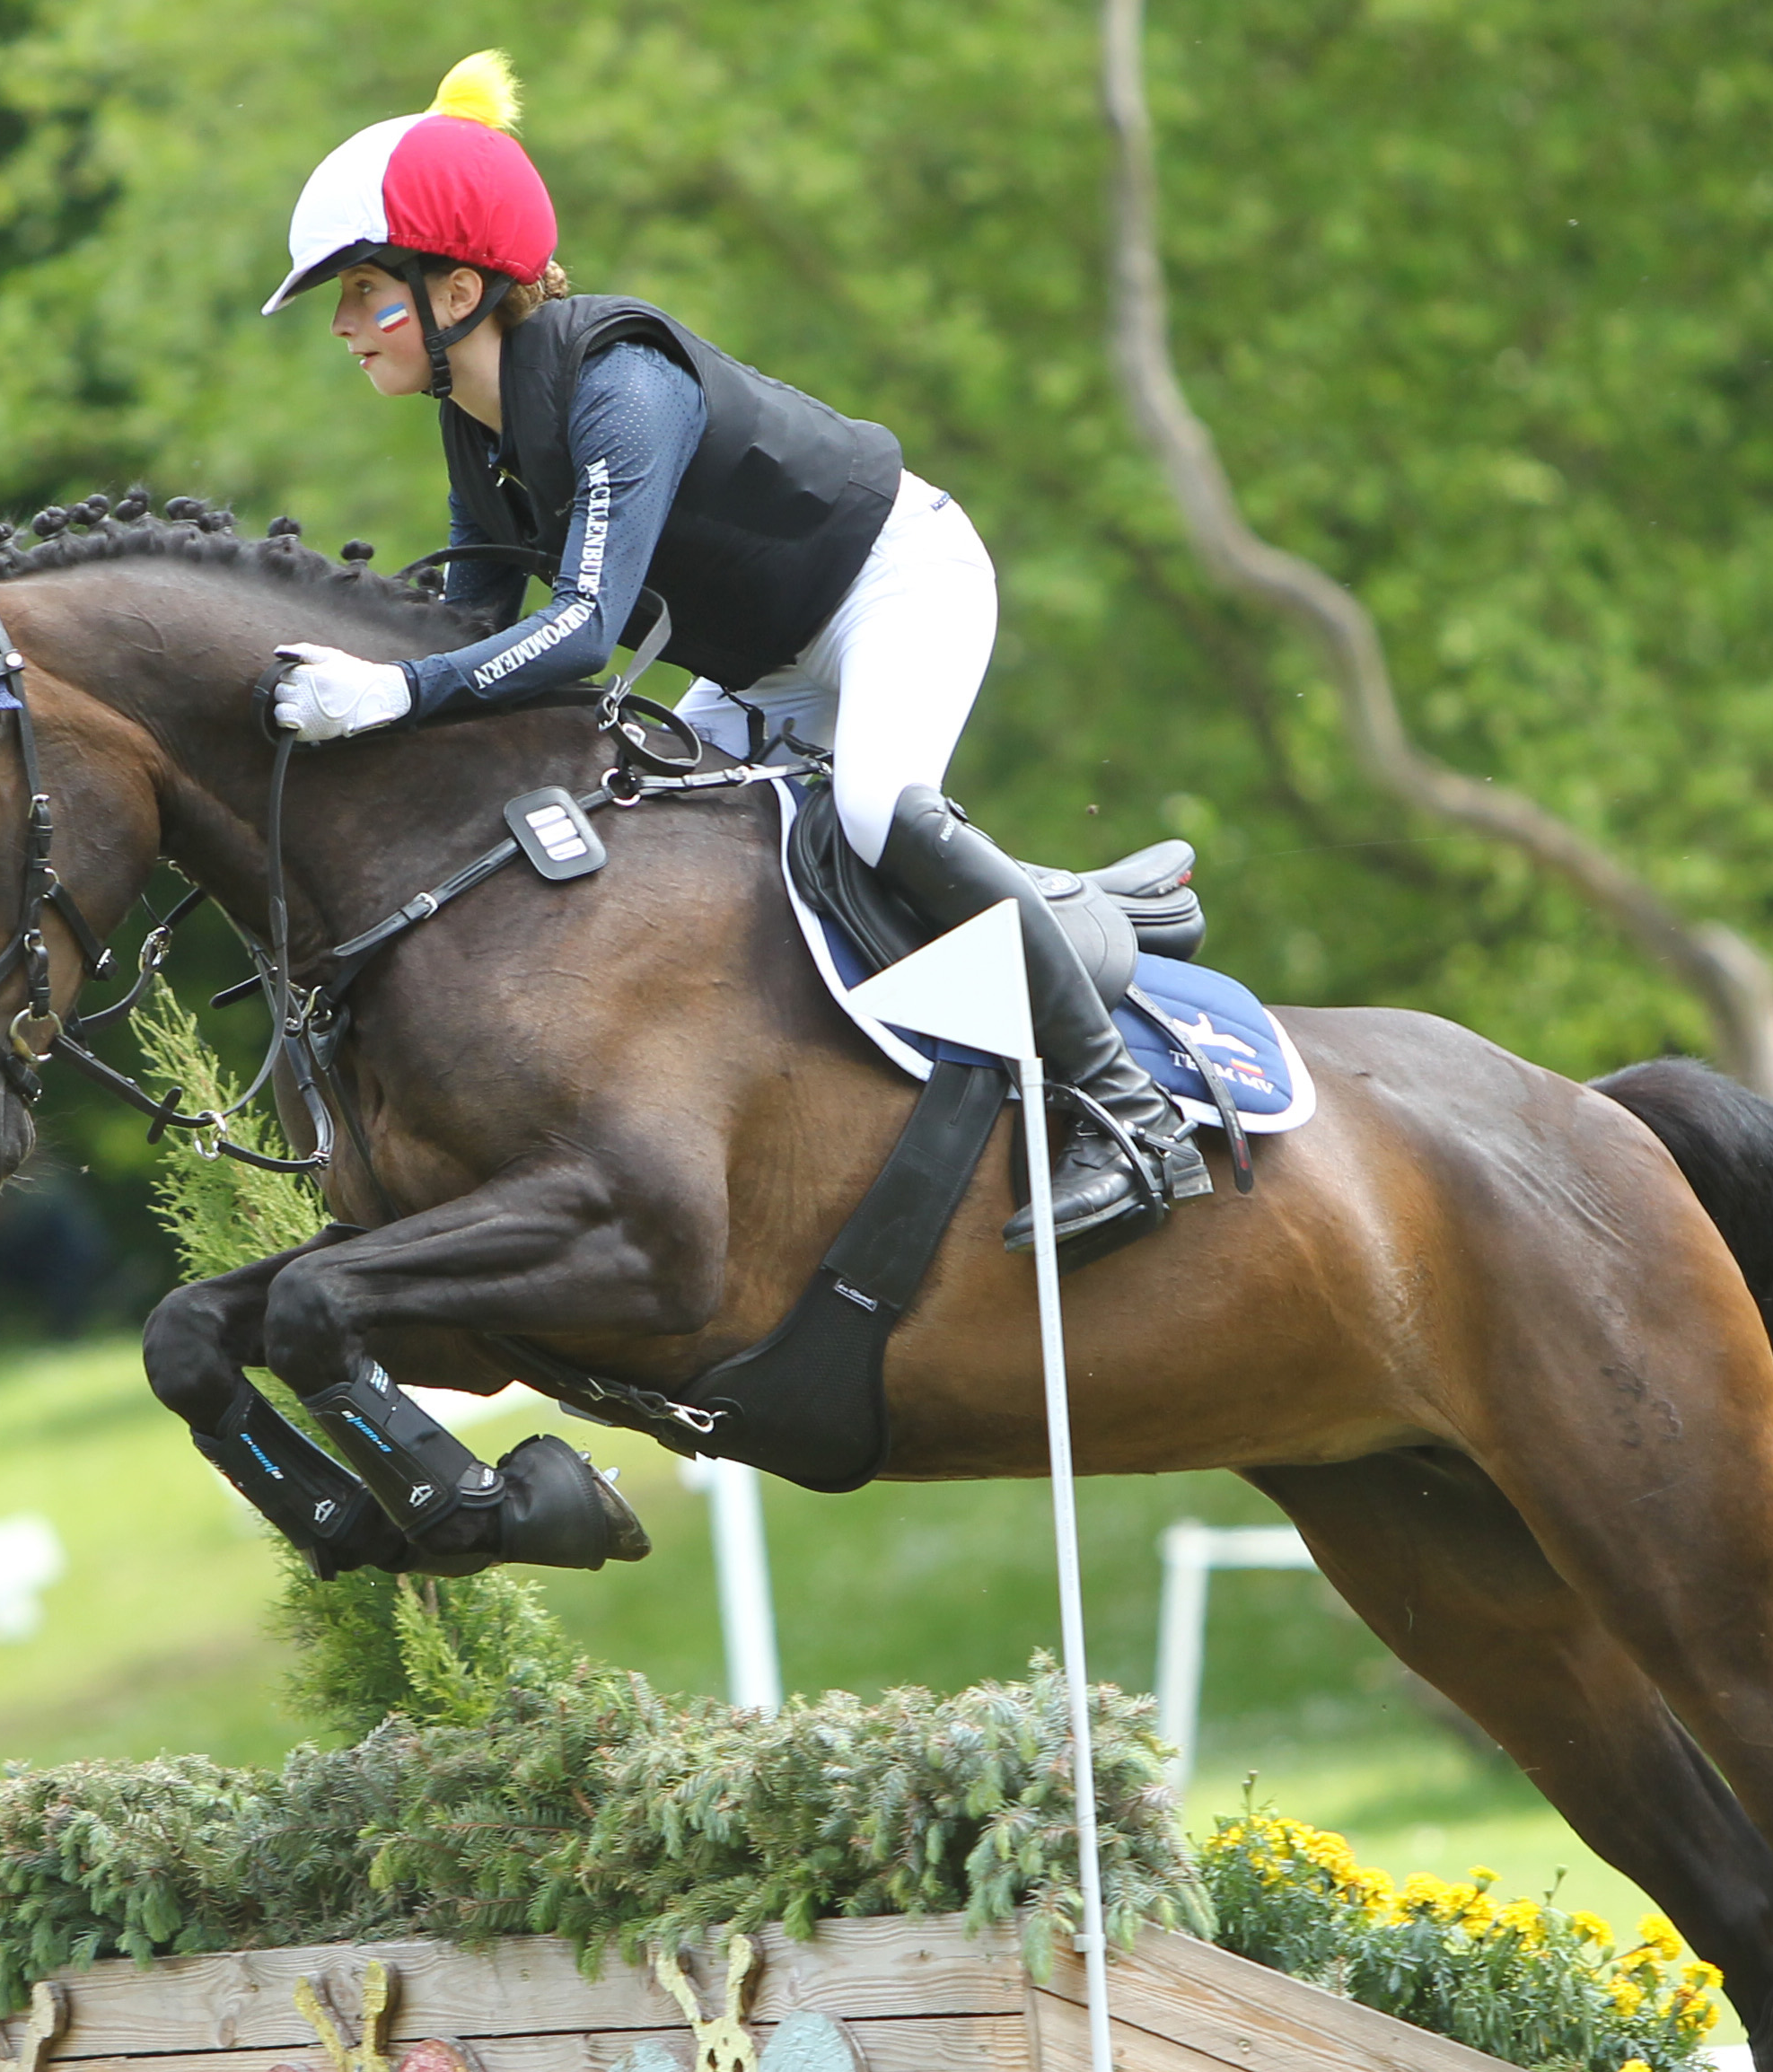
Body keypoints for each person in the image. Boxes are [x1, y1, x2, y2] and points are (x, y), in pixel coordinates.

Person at [256, 53, 1207, 1260]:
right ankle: (1097, 908)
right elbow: (469, 618)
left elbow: (585, 636)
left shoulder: (622, 386)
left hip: (892, 587)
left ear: (454, 292)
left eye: (363, 292)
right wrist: (345, 687)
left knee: (876, 813)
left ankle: (1130, 1118)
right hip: (763, 669)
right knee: (638, 830)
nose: (342, 326)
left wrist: (390, 694)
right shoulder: (475, 416)